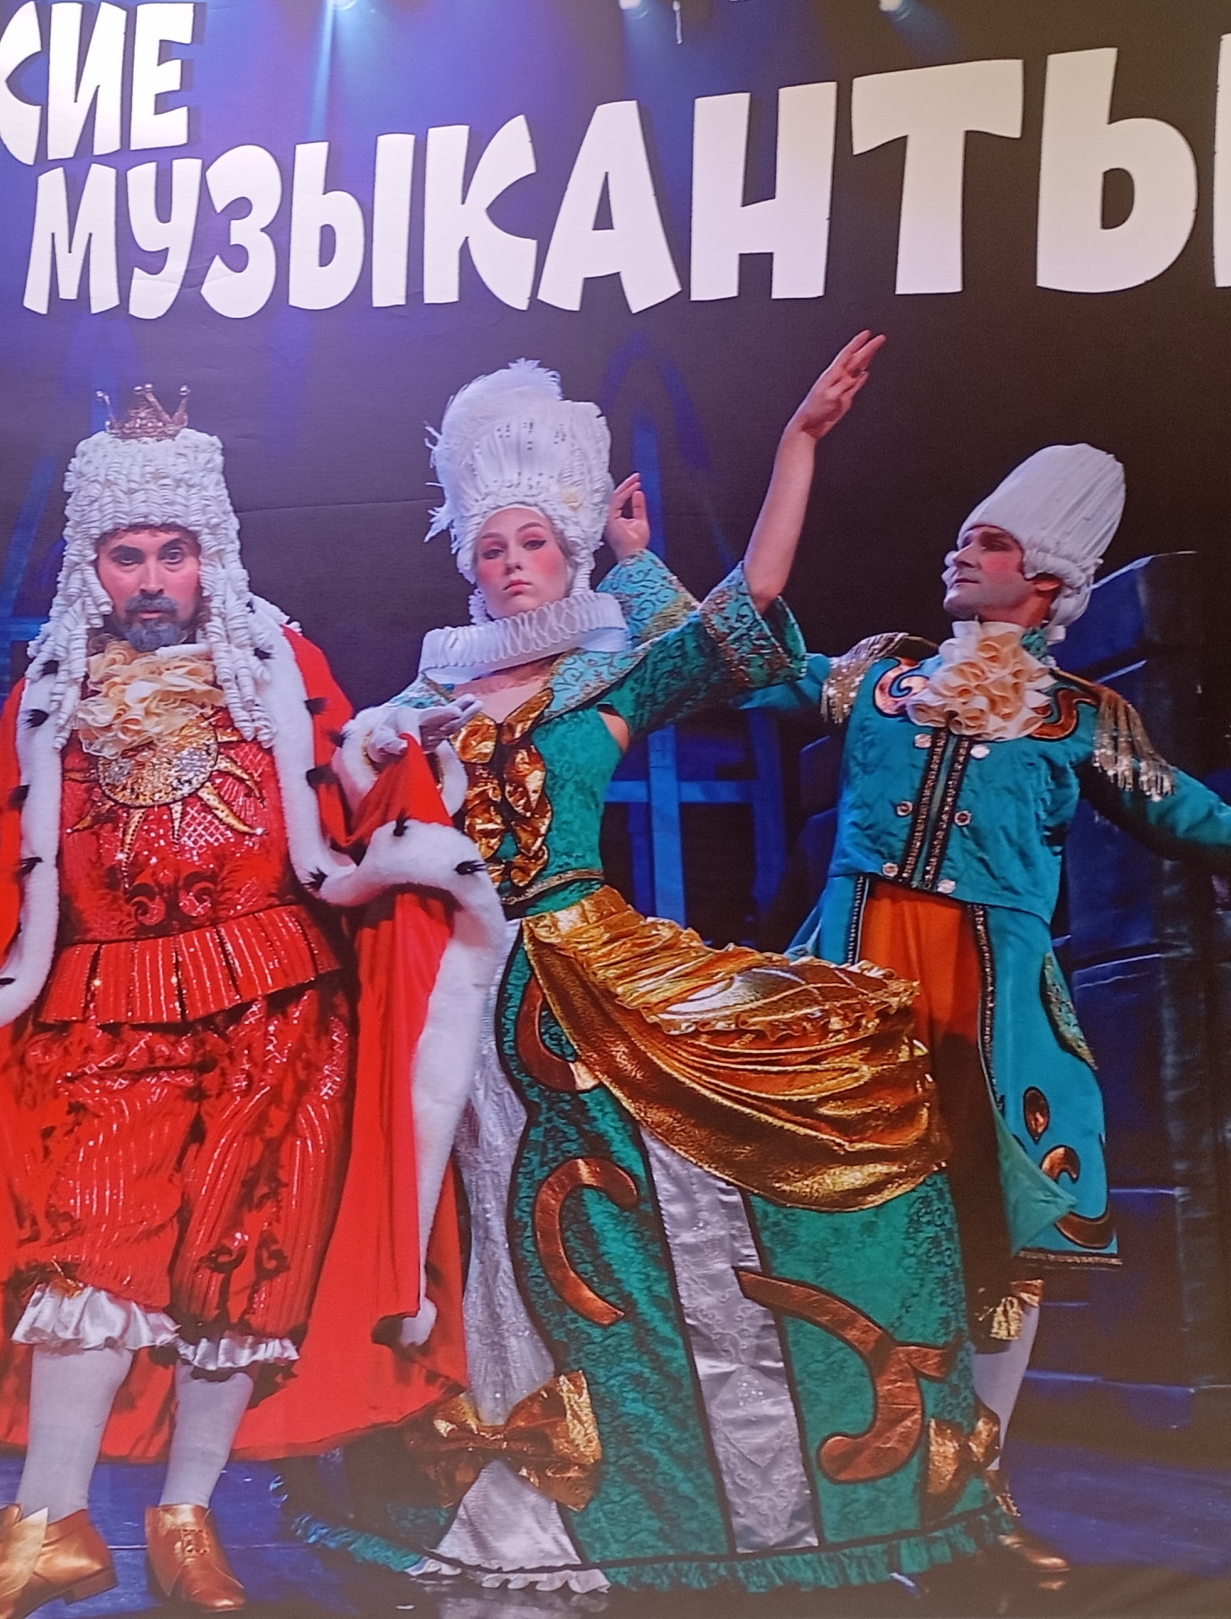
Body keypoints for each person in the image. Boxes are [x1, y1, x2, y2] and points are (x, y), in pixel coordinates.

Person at [291, 341, 1013, 1597]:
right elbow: (331, 808)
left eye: (532, 541)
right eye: (490, 547)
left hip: (572, 966)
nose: (510, 562)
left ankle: (688, 1485)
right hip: (438, 985)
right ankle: (488, 1485)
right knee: (469, 1227)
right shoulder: (419, 694)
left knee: (639, 1214)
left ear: (567, 552)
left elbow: (747, 607)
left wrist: (795, 444)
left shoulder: (607, 673)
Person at [0, 388, 509, 1618]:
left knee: (245, 1263)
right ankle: (46, 1521)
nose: (149, 578)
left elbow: (337, 785)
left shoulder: (274, 659)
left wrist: (394, 753)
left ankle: (186, 1517)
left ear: (207, 555)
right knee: (86, 1249)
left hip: (277, 1000)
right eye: (126, 554)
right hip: (101, 1003)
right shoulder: (49, 685)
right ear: (93, 563)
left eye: (170, 552)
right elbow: (13, 840)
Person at [746, 443, 1231, 1586]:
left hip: (990, 1019)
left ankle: (970, 1499)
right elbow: (753, 658)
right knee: (825, 1238)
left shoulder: (1084, 719)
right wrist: (649, 553)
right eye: (962, 536)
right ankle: (822, 1499)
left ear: (1044, 579)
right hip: (856, 992)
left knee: (1000, 1253)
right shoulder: (880, 673)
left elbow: (1229, 833)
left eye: (988, 543)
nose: (959, 553)